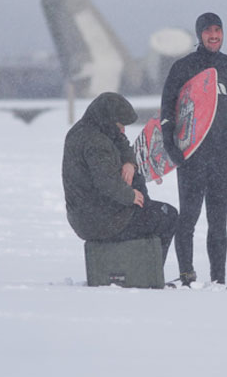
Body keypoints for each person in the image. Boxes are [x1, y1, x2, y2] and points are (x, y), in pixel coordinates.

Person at [161, 12, 227, 286]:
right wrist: (171, 146)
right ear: (199, 34)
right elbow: (167, 110)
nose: (214, 35)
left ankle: (218, 281)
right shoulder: (183, 67)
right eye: (208, 31)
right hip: (191, 156)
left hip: (220, 159)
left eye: (218, 30)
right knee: (188, 220)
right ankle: (187, 277)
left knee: (219, 223)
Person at [62, 92, 178, 261]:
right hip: (100, 221)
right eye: (120, 124)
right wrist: (130, 196)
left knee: (137, 186)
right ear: (108, 120)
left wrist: (129, 163)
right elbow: (106, 182)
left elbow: (121, 142)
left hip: (87, 215)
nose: (123, 129)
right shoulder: (96, 142)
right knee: (168, 217)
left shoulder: (89, 129)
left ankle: (137, 269)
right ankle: (147, 274)